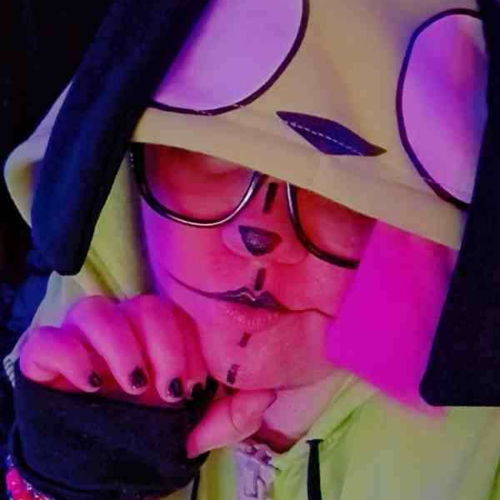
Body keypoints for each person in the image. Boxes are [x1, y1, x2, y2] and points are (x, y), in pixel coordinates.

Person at [3, 0, 500, 499]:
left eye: (339, 189)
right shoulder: (86, 331)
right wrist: (65, 483)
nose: (257, 233)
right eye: (208, 154)